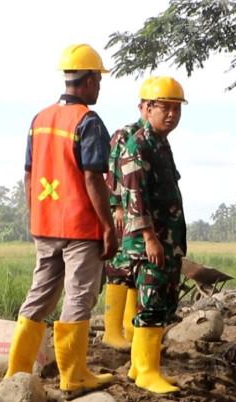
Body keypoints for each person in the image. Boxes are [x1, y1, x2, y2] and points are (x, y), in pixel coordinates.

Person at [4, 44, 117, 398]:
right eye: (98, 80)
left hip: (45, 224)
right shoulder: (88, 121)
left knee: (39, 295)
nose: (99, 87)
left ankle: (17, 372)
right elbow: (92, 179)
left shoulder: (39, 120)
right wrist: (109, 226)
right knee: (78, 297)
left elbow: (28, 174)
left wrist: (34, 214)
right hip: (80, 227)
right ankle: (73, 375)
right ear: (87, 80)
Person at [119, 76, 187, 394]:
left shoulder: (162, 143)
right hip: (151, 242)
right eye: (164, 107)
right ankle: (147, 372)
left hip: (167, 240)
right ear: (146, 108)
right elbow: (136, 197)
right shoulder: (139, 145)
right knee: (152, 302)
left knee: (163, 302)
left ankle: (138, 367)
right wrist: (149, 238)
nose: (171, 114)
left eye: (176, 108)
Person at [102, 77, 156, 350]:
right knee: (119, 267)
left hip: (144, 213)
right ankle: (111, 331)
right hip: (125, 211)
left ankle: (130, 328)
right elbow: (112, 171)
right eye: (150, 106)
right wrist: (117, 206)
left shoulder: (154, 140)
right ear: (142, 107)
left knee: (137, 268)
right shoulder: (125, 134)